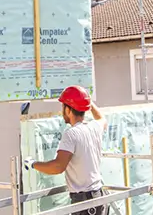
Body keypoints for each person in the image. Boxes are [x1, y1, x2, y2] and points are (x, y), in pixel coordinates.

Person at [25, 85, 109, 215]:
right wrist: (88, 102)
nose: (62, 111)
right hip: (98, 198)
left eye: (63, 107)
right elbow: (102, 119)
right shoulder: (94, 127)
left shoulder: (71, 134)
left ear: (69, 110)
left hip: (85, 204)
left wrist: (33, 164)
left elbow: (58, 166)